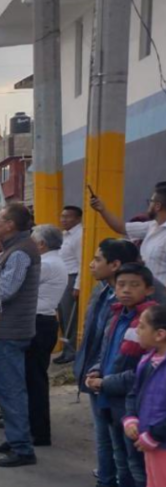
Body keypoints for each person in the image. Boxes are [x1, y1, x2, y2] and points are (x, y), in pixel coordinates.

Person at [86, 264, 158, 487]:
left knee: (138, 469)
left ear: (148, 289)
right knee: (123, 464)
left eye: (134, 285)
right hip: (113, 403)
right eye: (121, 284)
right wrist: (95, 370)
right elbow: (106, 353)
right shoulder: (116, 314)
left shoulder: (149, 323)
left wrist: (105, 382)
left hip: (130, 406)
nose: (126, 290)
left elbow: (138, 373)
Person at [72, 239, 141, 487]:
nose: (91, 264)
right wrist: (93, 370)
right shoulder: (103, 292)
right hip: (100, 376)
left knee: (124, 451)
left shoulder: (141, 305)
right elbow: (98, 338)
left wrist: (106, 377)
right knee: (107, 441)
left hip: (121, 385)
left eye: (98, 259)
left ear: (115, 265)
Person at [0, 203, 41, 468]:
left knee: (11, 389)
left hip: (10, 330)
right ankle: (14, 437)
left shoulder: (20, 252)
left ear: (10, 225)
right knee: (8, 387)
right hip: (10, 329)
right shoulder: (15, 248)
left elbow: (6, 290)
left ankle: (21, 447)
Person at [121, 305, 166, 487]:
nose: (137, 331)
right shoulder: (147, 361)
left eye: (142, 326)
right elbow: (134, 394)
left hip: (160, 444)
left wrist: (155, 435)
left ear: (160, 334)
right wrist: (131, 418)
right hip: (149, 443)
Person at [26, 224, 67, 447]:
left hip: (39, 322)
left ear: (41, 244)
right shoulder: (53, 261)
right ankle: (34, 428)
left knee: (35, 379)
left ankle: (38, 431)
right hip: (43, 321)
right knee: (34, 378)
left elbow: (20, 283)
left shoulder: (47, 264)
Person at [91, 182, 166, 286]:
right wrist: (102, 210)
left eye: (151, 201)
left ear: (157, 206)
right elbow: (122, 227)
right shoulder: (151, 226)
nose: (148, 205)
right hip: (148, 291)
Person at [55, 206, 85, 364]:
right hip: (62, 278)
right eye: (62, 216)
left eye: (68, 217)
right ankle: (66, 349)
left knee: (70, 317)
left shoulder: (79, 235)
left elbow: (82, 262)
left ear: (78, 218)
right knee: (62, 317)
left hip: (72, 278)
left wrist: (78, 285)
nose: (63, 220)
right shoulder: (65, 235)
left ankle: (71, 351)